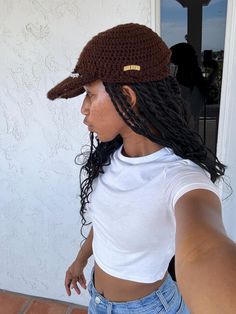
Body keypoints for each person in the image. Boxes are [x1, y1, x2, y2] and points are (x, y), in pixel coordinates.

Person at [47, 23, 236, 314]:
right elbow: (106, 225)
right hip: (98, 300)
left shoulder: (181, 178)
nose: (83, 108)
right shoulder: (111, 159)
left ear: (127, 97)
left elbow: (204, 251)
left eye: (89, 94)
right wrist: (80, 260)